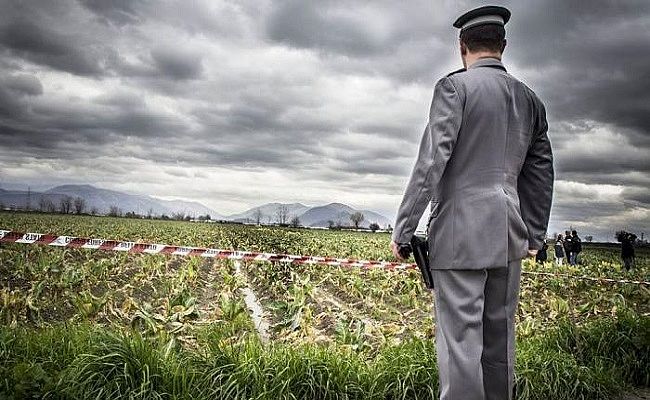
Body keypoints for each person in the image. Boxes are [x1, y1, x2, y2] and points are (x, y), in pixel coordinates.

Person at [390, 6, 553, 400]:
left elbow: (432, 160)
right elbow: (541, 169)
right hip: (509, 236)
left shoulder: (453, 88)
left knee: (461, 347)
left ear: (462, 47)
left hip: (459, 237)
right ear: (503, 46)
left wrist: (404, 228)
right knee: (500, 343)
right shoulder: (530, 100)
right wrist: (535, 233)